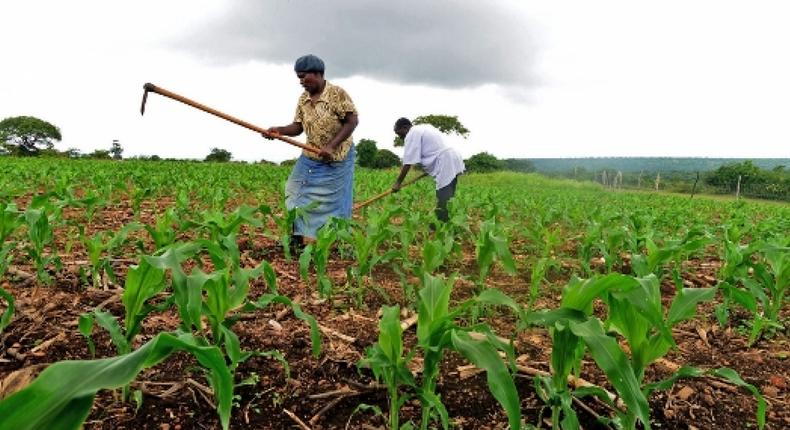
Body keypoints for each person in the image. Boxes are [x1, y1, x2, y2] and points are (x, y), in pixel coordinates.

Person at [265, 54, 359, 242]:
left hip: (337, 159)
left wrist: (331, 146)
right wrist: (280, 131)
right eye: (298, 77)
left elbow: (352, 121)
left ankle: (336, 240)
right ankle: (298, 235)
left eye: (303, 76)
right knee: (294, 192)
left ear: (318, 74)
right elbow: (298, 127)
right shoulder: (303, 99)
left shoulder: (336, 94)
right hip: (310, 156)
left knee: (334, 202)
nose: (301, 82)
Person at [391, 117, 465, 223]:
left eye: (400, 134)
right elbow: (432, 149)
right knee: (449, 194)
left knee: (443, 195)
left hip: (445, 160)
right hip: (453, 157)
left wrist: (398, 183)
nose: (401, 137)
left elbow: (408, 162)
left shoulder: (412, 133)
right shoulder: (425, 127)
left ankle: (441, 224)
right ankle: (446, 222)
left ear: (405, 127)